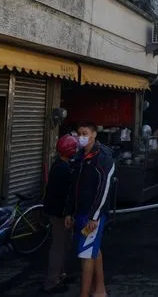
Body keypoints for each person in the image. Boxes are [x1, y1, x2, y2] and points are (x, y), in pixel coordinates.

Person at [64, 123, 115, 297]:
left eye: (84, 133)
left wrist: (94, 217)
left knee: (86, 254)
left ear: (94, 134)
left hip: (93, 215)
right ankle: (100, 290)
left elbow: (103, 189)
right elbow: (73, 187)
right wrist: (69, 212)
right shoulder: (79, 157)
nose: (81, 137)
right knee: (93, 250)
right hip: (79, 213)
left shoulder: (104, 158)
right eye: (79, 133)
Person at [42, 134, 77, 294]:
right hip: (59, 214)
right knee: (58, 246)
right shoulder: (63, 169)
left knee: (64, 244)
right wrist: (68, 214)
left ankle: (60, 274)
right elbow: (65, 194)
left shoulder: (59, 165)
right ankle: (52, 282)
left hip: (57, 212)